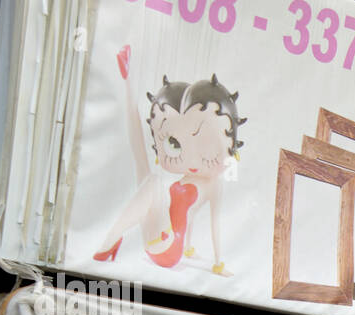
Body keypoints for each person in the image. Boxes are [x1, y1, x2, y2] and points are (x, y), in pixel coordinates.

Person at [93, 46, 245, 276]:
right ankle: (128, 80)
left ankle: (110, 242)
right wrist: (191, 248)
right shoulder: (192, 177)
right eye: (175, 144)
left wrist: (218, 263)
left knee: (153, 181)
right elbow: (190, 214)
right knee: (141, 159)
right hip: (158, 238)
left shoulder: (213, 183)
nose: (192, 157)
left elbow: (215, 222)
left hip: (170, 248)